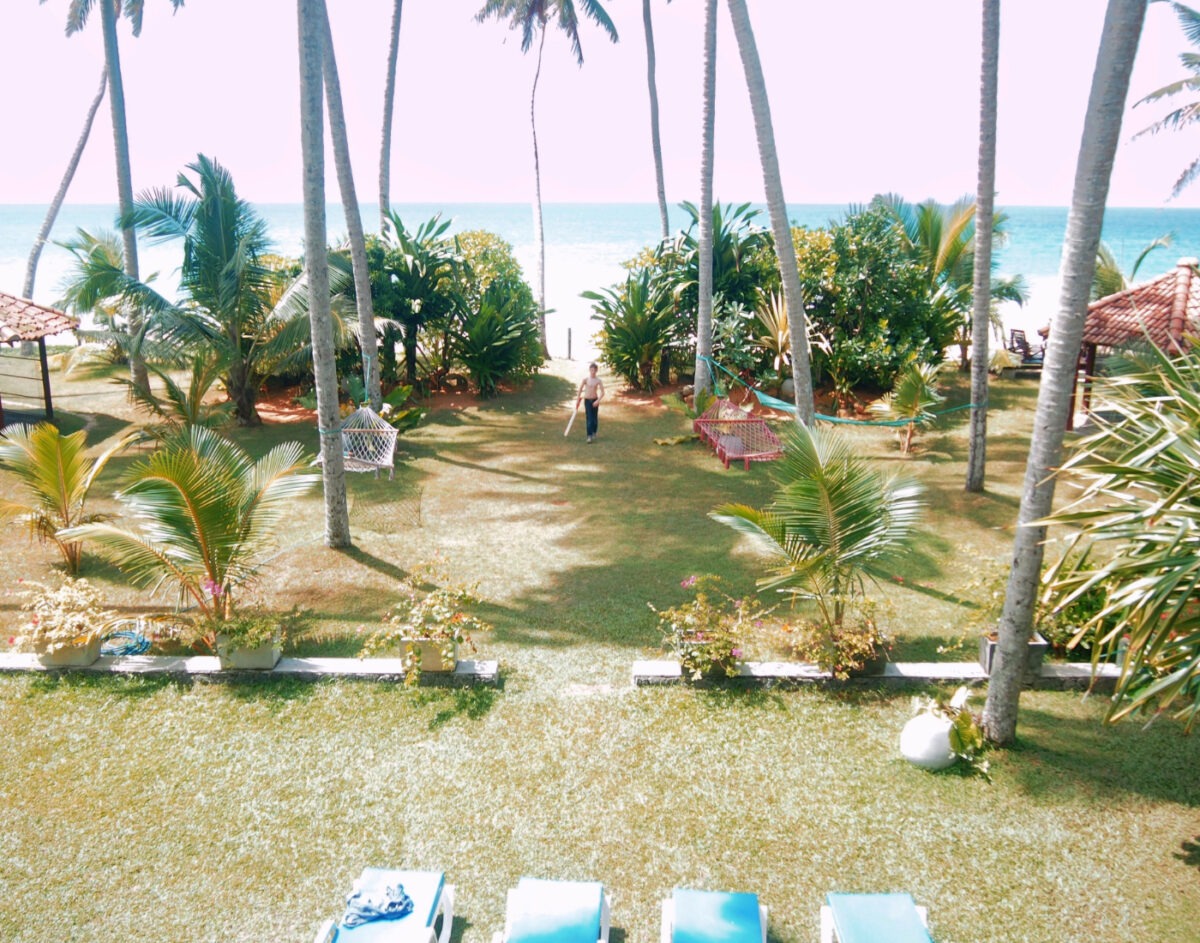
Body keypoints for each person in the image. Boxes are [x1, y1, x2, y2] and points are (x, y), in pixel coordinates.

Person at [577, 363, 605, 443]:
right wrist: (578, 398)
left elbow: (602, 392)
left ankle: (594, 432)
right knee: (589, 418)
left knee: (594, 419)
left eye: (594, 370)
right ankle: (589, 436)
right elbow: (580, 389)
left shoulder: (598, 380)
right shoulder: (586, 379)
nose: (593, 372)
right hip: (587, 401)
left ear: (596, 371)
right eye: (591, 370)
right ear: (589, 370)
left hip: (594, 400)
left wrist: (597, 401)